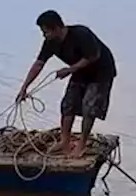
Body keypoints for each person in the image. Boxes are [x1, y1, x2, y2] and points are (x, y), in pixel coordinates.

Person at [16, 10, 117, 158]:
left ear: (56, 28)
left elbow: (93, 56)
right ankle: (65, 141)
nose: (44, 35)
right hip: (80, 71)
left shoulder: (81, 34)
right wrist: (24, 87)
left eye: (46, 32)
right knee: (67, 105)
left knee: (89, 107)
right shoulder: (50, 43)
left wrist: (70, 69)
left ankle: (81, 145)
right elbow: (39, 64)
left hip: (101, 71)